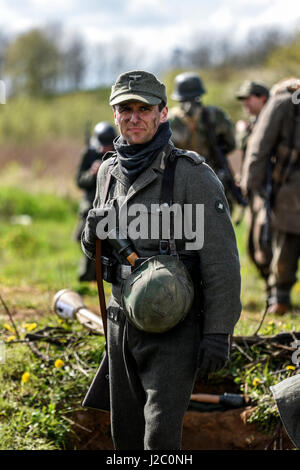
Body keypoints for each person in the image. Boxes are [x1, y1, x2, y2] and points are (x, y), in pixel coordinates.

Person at [81, 70, 241, 450]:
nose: (133, 117)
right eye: (125, 109)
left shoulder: (193, 176)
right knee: (126, 439)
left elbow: (222, 261)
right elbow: (95, 251)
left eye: (143, 108)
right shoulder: (107, 171)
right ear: (115, 114)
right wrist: (91, 233)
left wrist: (218, 333)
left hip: (175, 326)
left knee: (160, 440)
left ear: (162, 113)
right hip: (121, 320)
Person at [241, 77, 300, 315]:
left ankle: (279, 300)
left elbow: (259, 146)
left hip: (287, 193)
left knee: (280, 246)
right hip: (289, 191)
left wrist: (249, 185)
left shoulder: (281, 102)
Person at [168, 71, 236, 211]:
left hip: (178, 182)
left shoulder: (167, 120)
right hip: (212, 177)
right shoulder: (215, 114)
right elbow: (230, 144)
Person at [235, 80, 271, 283]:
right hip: (255, 191)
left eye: (249, 98)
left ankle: (275, 289)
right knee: (252, 244)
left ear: (262, 98)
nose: (245, 103)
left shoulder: (275, 123)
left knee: (264, 241)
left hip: (270, 193)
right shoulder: (252, 124)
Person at [74, 121, 116, 281]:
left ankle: (98, 275)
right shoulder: (89, 153)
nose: (105, 149)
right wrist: (92, 173)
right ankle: (88, 275)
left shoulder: (120, 152)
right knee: (84, 237)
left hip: (111, 205)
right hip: (90, 205)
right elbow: (79, 181)